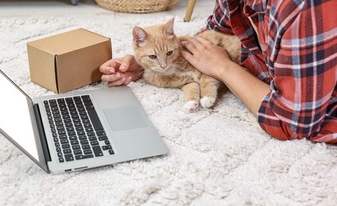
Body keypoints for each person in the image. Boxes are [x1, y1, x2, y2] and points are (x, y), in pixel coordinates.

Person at [99, 0, 337, 144]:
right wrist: (144, 64)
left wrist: (224, 67)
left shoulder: (302, 7)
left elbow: (291, 123)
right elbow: (215, 30)